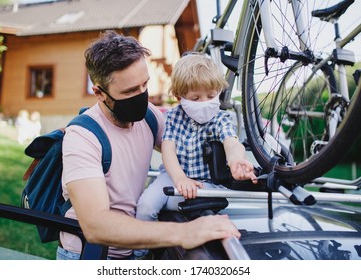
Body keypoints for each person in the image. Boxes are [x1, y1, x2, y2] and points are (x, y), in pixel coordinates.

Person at [58, 30, 241, 260]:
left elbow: (188, 143)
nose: (142, 95)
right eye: (130, 91)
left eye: (145, 84)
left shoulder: (149, 116)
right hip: (91, 256)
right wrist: (184, 232)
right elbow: (96, 226)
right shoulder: (83, 138)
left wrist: (234, 153)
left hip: (134, 250)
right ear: (99, 92)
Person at [134, 53, 258, 258]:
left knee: (185, 204)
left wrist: (236, 160)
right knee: (146, 206)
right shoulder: (173, 117)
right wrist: (180, 178)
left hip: (208, 182)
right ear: (179, 97)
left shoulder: (221, 118)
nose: (205, 103)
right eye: (195, 98)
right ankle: (140, 254)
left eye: (211, 96)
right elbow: (168, 150)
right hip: (174, 176)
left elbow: (231, 142)